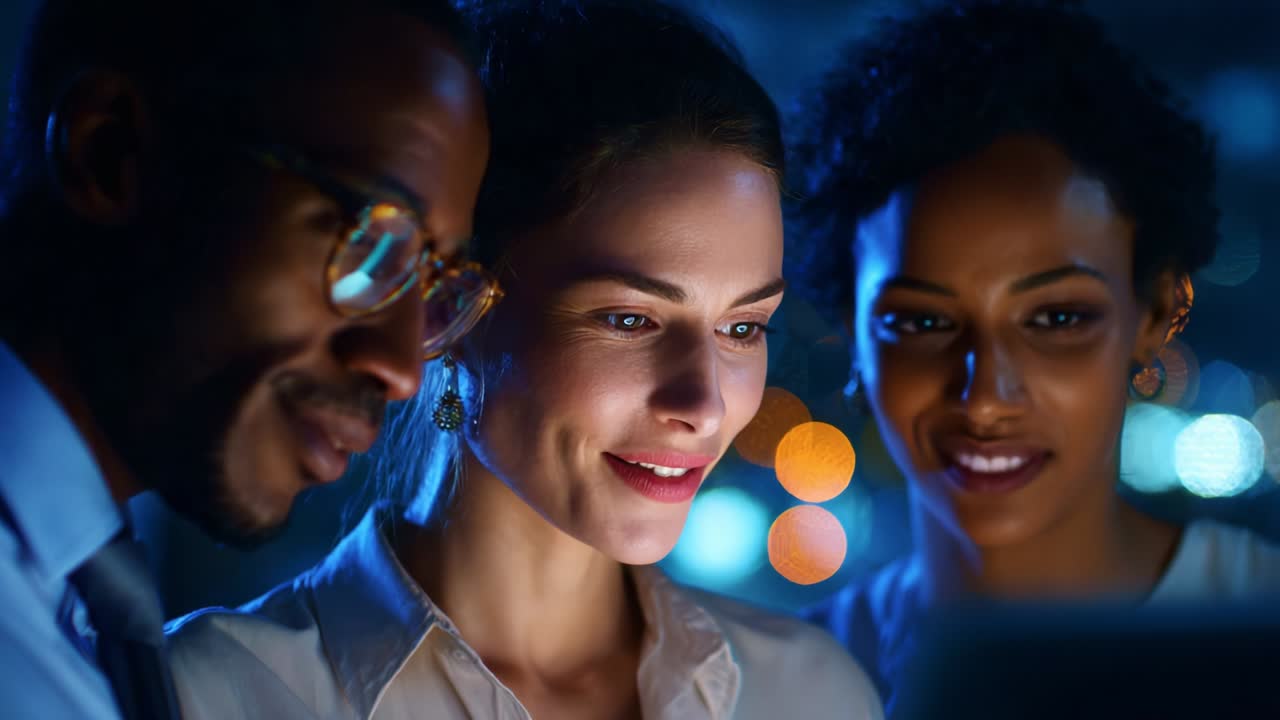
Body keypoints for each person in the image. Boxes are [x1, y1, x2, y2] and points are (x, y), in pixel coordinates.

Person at [166, 1, 884, 718]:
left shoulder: (808, 694)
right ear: (454, 306)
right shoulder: (208, 693)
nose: (703, 404)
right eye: (630, 319)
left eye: (742, 328)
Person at [0, 1, 491, 717]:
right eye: (370, 242)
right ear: (109, 155)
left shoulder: (76, 624)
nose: (401, 368)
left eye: (432, 284)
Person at [787, 0, 1280, 713]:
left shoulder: (1260, 624)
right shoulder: (774, 686)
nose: (985, 396)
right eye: (923, 320)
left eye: (1056, 318)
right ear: (850, 328)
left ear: (1157, 314)